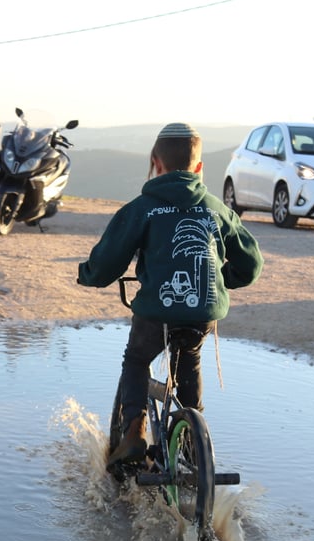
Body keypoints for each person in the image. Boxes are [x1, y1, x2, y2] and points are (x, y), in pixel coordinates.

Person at [77, 122, 264, 468]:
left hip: (156, 311)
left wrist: (87, 275)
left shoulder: (143, 208)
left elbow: (107, 262)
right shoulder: (217, 209)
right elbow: (251, 264)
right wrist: (222, 279)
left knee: (136, 360)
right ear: (199, 168)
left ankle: (133, 433)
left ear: (155, 163)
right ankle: (193, 441)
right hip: (202, 310)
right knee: (188, 362)